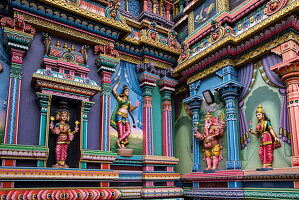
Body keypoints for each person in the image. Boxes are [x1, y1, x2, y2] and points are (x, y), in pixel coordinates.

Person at [110, 79, 139, 149]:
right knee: (121, 130)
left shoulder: (129, 102)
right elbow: (114, 91)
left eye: (128, 91)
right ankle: (122, 145)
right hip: (119, 115)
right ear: (123, 92)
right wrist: (118, 83)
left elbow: (130, 109)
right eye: (126, 91)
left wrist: (135, 106)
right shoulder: (120, 99)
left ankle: (119, 140)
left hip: (126, 117)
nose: (128, 92)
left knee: (128, 131)